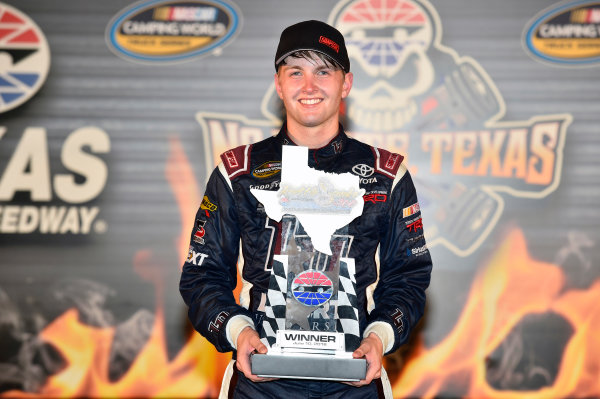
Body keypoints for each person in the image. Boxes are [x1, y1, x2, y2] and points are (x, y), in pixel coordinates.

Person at [179, 20, 432, 399]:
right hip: (261, 380)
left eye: (323, 71)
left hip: (354, 379)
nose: (309, 86)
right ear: (279, 84)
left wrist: (378, 338)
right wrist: (239, 332)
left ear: (346, 83)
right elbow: (202, 275)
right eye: (295, 72)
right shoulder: (238, 171)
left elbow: (408, 278)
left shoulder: (386, 173)